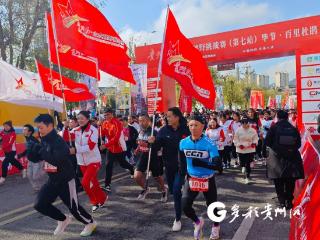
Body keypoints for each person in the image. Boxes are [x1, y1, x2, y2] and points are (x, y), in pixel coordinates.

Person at [32, 114, 96, 237]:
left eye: (41, 128)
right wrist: (32, 151)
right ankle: (63, 219)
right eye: (38, 128)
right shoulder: (43, 138)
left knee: (74, 209)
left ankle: (90, 222)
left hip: (66, 180)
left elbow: (56, 160)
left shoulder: (59, 141)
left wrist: (41, 150)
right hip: (52, 179)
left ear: (50, 126)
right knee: (40, 204)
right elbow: (40, 157)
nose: (39, 131)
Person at [180, 115, 221, 240]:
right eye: (191, 125)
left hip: (207, 178)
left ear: (202, 126)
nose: (193, 128)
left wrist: (201, 163)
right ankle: (198, 222)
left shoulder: (210, 143)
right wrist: (183, 176)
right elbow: (181, 162)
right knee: (185, 206)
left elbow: (218, 166)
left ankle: (216, 226)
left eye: (196, 125)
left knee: (212, 206)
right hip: (191, 178)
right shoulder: (183, 142)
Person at [149, 107, 190, 232]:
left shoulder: (186, 129)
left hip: (182, 166)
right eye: (167, 116)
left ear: (177, 117)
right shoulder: (163, 130)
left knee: (177, 191)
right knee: (173, 190)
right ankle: (175, 189)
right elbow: (157, 147)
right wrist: (152, 142)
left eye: (170, 116)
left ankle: (177, 219)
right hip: (169, 166)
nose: (167, 118)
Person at [265, 110, 304, 209]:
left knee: (278, 182)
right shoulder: (293, 128)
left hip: (276, 159)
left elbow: (267, 142)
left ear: (277, 117)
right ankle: (289, 201)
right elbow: (298, 144)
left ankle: (281, 202)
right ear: (287, 117)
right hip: (292, 158)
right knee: (290, 181)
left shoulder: (274, 127)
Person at [72, 111, 107, 212]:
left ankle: (94, 202)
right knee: (93, 182)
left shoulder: (93, 130)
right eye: (78, 119)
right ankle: (103, 198)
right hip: (82, 162)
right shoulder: (75, 130)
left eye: (82, 118)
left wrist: (76, 150)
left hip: (93, 160)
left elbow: (91, 146)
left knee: (85, 183)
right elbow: (64, 136)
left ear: (87, 119)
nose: (80, 120)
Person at [133, 115, 167, 201]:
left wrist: (153, 142)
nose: (141, 122)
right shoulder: (140, 131)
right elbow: (139, 141)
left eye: (143, 120)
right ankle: (145, 188)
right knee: (137, 176)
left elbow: (159, 146)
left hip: (153, 157)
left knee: (157, 177)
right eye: (140, 121)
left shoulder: (153, 132)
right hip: (142, 156)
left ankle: (164, 189)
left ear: (148, 121)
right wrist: (137, 149)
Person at [100, 108, 134, 192]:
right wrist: (100, 129)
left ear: (112, 114)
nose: (106, 116)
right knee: (108, 165)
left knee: (123, 164)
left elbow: (116, 138)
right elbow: (103, 133)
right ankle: (107, 185)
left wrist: (105, 145)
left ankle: (132, 168)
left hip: (118, 147)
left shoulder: (117, 123)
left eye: (108, 114)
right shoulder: (104, 123)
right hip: (110, 148)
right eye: (105, 115)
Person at [17, 124, 45, 192]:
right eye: (23, 129)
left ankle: (45, 173)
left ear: (29, 132)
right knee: (29, 175)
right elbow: (28, 149)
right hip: (31, 160)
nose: (23, 131)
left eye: (25, 130)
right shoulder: (27, 139)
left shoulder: (33, 140)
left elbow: (40, 149)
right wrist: (22, 155)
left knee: (35, 176)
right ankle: (37, 188)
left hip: (37, 161)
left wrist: (40, 158)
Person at [233, 118, 259, 184]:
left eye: (246, 123)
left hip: (250, 149)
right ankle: (242, 166)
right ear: (241, 124)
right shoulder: (238, 130)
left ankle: (247, 177)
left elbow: (256, 138)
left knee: (248, 163)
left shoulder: (252, 130)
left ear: (248, 123)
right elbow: (235, 139)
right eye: (243, 124)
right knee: (242, 162)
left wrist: (254, 143)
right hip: (241, 149)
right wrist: (239, 145)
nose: (245, 125)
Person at [61, 118, 82, 192]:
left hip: (78, 153)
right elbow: (63, 136)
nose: (70, 123)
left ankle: (81, 184)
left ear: (76, 123)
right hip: (71, 154)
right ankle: (78, 185)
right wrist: (65, 127)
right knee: (73, 170)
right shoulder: (70, 131)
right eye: (69, 122)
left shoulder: (79, 130)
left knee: (77, 171)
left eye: (71, 122)